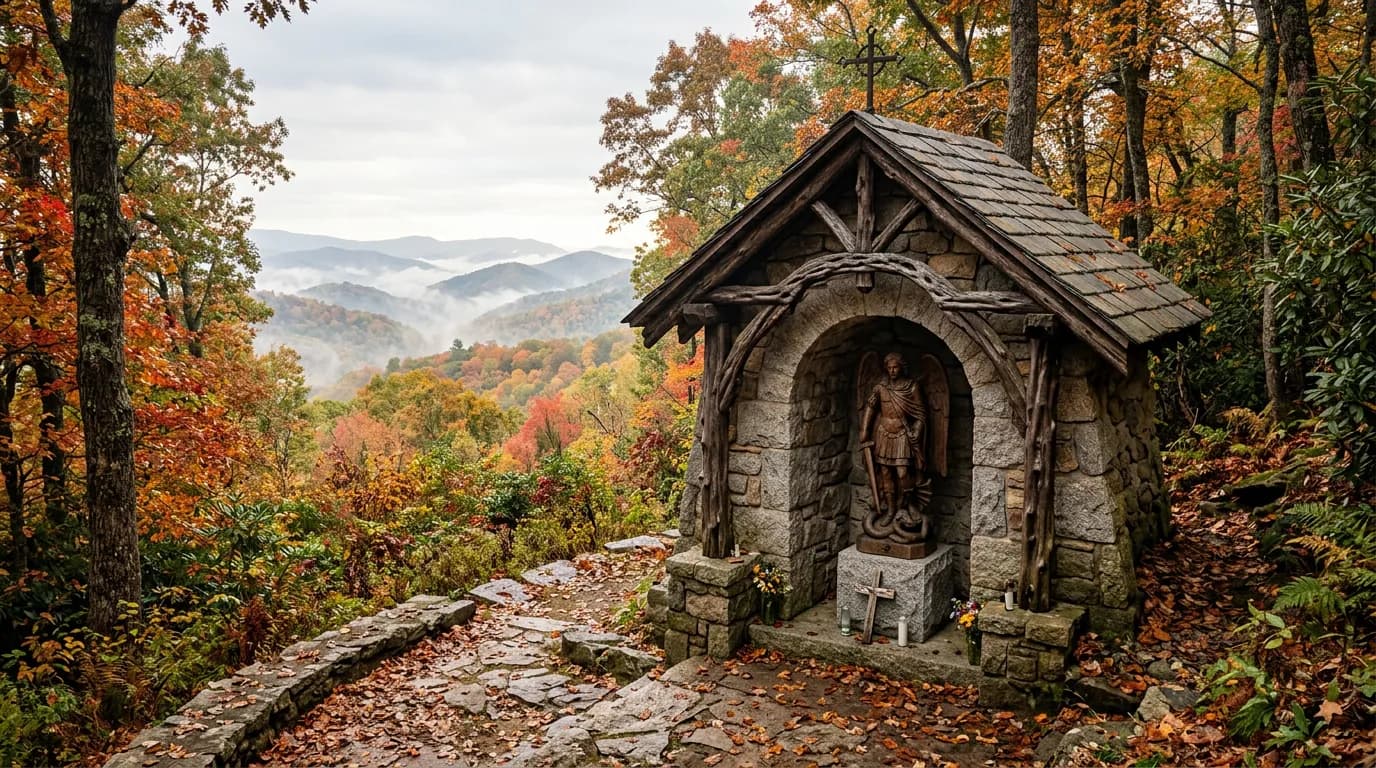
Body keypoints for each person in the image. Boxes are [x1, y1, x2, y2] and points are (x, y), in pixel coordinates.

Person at [859, 352, 931, 545]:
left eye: (895, 367)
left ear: (902, 367)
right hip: (883, 433)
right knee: (885, 473)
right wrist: (864, 431)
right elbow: (870, 408)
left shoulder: (911, 387)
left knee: (902, 473)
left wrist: (916, 429)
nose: (892, 371)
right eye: (889, 368)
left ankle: (905, 506)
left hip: (902, 435)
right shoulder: (880, 388)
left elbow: (921, 414)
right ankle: (890, 510)